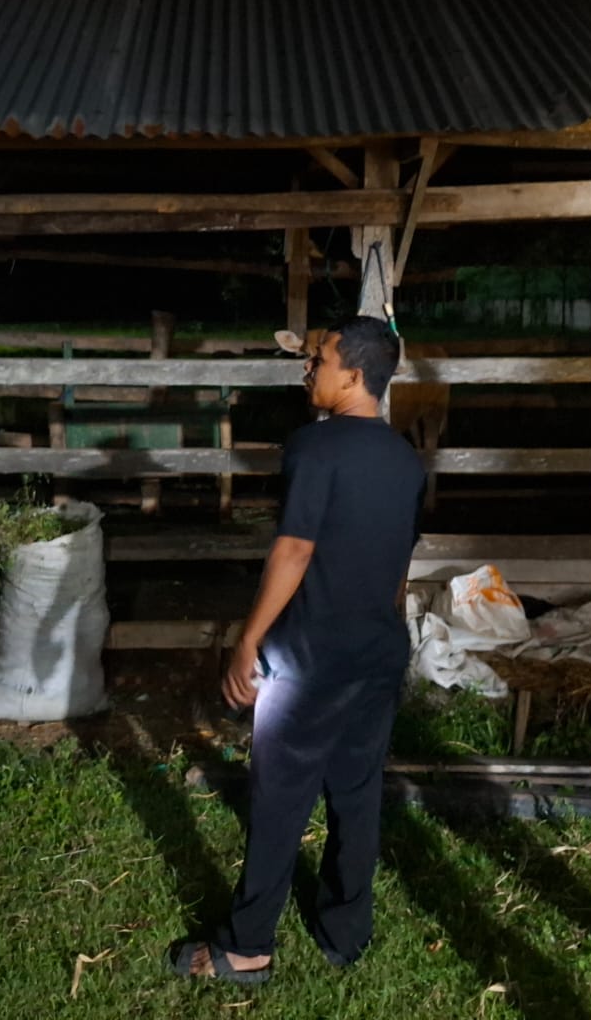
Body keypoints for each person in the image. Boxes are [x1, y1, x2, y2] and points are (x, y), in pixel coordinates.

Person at [171, 315, 427, 983]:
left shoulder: (314, 447)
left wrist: (249, 640)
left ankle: (248, 946)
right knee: (356, 793)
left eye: (320, 360)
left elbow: (294, 549)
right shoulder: (406, 461)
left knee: (280, 799)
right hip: (377, 649)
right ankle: (346, 932)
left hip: (311, 659)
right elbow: (400, 566)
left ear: (355, 374)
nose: (307, 369)